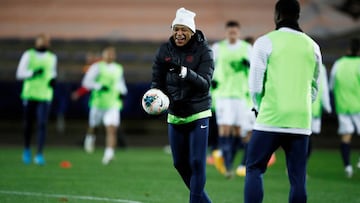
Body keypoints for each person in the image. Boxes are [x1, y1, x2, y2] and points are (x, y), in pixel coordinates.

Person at [245, 1, 322, 202]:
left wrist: (259, 107)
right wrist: (301, 105)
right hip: (300, 120)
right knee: (298, 178)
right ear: (298, 15)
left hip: (271, 116)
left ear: (277, 15)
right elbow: (315, 87)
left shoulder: (265, 42)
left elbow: (254, 85)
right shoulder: (313, 45)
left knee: (254, 168)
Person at [150, 7, 213, 203]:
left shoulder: (204, 51)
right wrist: (154, 99)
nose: (179, 33)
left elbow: (205, 83)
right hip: (175, 114)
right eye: (176, 29)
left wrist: (184, 72)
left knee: (196, 163)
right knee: (179, 163)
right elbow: (157, 82)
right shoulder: (164, 50)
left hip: (198, 113)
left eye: (183, 29)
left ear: (192, 32)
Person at [211, 20, 252, 178]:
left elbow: (255, 67)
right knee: (225, 127)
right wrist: (212, 81)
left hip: (241, 95)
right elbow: (210, 67)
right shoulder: (218, 48)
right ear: (226, 32)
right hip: (223, 94)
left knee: (237, 131)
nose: (232, 35)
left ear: (239, 32)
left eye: (235, 32)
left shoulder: (247, 48)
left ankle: (229, 162)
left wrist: (248, 65)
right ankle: (226, 166)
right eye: (230, 32)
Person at [16, 33, 57, 165]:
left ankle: (39, 154)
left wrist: (53, 80)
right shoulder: (28, 55)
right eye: (42, 41)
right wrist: (32, 73)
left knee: (42, 124)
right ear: (36, 42)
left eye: (46, 41)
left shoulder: (52, 57)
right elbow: (19, 74)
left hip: (45, 95)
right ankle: (27, 149)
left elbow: (53, 72)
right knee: (28, 124)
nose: (44, 43)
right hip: (30, 94)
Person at [82, 46, 127, 165]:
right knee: (94, 127)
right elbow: (86, 82)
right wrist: (99, 86)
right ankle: (90, 138)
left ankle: (109, 154)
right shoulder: (96, 67)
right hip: (98, 103)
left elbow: (120, 82)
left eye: (112, 54)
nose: (111, 56)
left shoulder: (118, 68)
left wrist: (123, 92)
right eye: (108, 54)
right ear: (103, 55)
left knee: (111, 129)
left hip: (113, 104)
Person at [329, 38, 360, 178]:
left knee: (346, 136)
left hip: (343, 106)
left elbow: (331, 85)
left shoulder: (338, 64)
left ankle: (348, 167)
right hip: (358, 105)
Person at [308, 64, 331, 160]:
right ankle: (300, 166)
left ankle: (298, 166)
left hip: (300, 109)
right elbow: (324, 88)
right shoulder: (321, 67)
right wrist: (328, 107)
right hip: (314, 109)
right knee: (307, 139)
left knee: (303, 139)